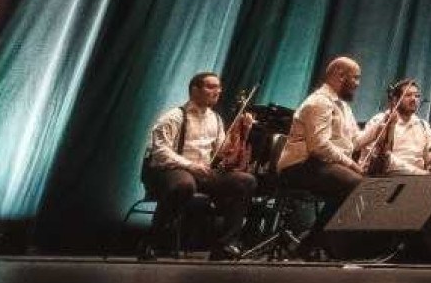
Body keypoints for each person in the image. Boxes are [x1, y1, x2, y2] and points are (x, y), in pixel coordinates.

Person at [138, 71, 257, 261]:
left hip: (202, 173)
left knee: (245, 181)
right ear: (195, 90)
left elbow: (223, 153)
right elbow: (160, 153)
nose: (217, 91)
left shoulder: (216, 119)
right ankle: (152, 241)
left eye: (218, 87)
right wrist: (191, 165)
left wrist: (243, 132)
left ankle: (224, 245)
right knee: (184, 185)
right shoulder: (174, 117)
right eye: (211, 87)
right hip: (170, 171)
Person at [277, 56, 364, 256]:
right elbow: (319, 146)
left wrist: (383, 124)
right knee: (354, 183)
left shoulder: (343, 106)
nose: (358, 85)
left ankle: (319, 242)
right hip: (300, 165)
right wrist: (351, 164)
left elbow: (356, 140)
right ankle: (314, 242)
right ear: (339, 75)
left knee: (359, 184)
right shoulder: (319, 102)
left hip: (320, 164)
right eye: (356, 78)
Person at [354, 77, 431, 175]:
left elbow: (430, 158)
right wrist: (420, 173)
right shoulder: (380, 120)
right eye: (408, 95)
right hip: (387, 177)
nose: (414, 99)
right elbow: (380, 160)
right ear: (395, 100)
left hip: (416, 180)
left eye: (417, 96)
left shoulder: (423, 125)